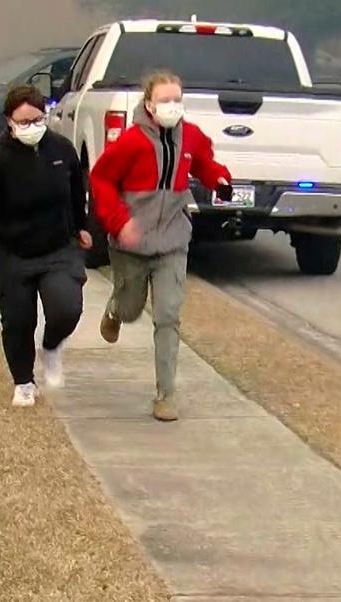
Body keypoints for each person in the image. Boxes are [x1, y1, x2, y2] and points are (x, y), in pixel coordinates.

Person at [89, 71, 231, 422]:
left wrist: (219, 179)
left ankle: (165, 394)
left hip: (172, 240)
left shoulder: (191, 137)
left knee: (168, 316)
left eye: (177, 99)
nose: (172, 106)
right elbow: (101, 179)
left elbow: (204, 162)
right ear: (149, 105)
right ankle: (114, 311)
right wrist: (120, 223)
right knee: (132, 307)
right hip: (131, 243)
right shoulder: (130, 142)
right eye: (165, 100)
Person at [0, 85, 92, 407]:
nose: (31, 127)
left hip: (57, 248)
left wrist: (82, 227)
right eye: (23, 122)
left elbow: (77, 193)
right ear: (9, 121)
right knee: (18, 320)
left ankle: (51, 347)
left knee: (67, 308)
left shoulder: (62, 150)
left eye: (37, 119)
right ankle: (24, 381)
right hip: (11, 252)